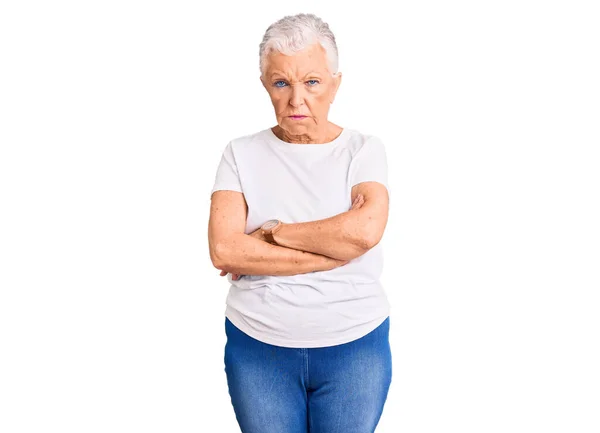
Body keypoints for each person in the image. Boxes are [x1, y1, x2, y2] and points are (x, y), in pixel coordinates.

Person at [208, 13, 392, 433]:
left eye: (311, 82)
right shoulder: (240, 153)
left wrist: (272, 234)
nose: (296, 100)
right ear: (264, 85)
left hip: (354, 345)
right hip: (258, 348)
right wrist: (331, 252)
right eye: (281, 83)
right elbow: (225, 250)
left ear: (335, 83)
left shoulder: (364, 151)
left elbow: (364, 232)